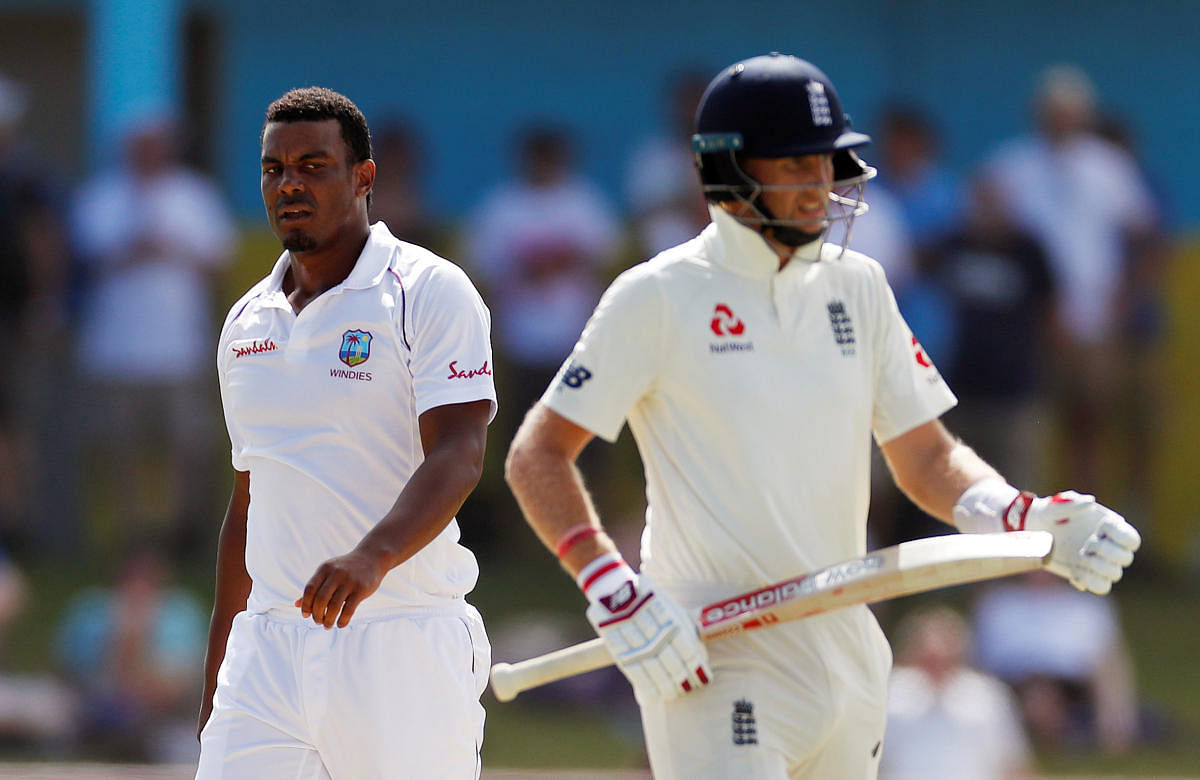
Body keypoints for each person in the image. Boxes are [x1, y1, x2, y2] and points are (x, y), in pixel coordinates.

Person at [503, 53, 1141, 779]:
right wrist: (612, 587)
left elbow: (927, 458)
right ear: (731, 171)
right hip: (715, 658)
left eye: (827, 163)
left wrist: (1021, 516)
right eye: (796, 165)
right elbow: (537, 454)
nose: (821, 186)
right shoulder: (656, 296)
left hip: (850, 654)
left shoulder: (860, 286)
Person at [196, 87, 495, 779]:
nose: (290, 183)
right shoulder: (246, 323)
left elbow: (460, 450)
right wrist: (217, 689)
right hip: (266, 656)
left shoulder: (428, 290)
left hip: (401, 644)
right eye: (274, 169)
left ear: (363, 177)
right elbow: (248, 505)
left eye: (313, 165)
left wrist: (372, 557)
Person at [983, 65, 1159, 498]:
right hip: (1029, 326)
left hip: (1094, 323)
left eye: (1069, 111)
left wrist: (1125, 300)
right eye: (1052, 110)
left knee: (1091, 424)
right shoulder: (1012, 164)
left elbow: (1143, 236)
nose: (1060, 119)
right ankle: (1036, 526)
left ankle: (1089, 516)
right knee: (1033, 424)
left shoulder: (1109, 166)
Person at [71, 110, 236, 557]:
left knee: (188, 446)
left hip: (179, 348)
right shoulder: (100, 197)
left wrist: (170, 248)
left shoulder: (195, 196)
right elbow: (85, 259)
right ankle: (127, 539)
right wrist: (134, 248)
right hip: (113, 351)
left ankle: (186, 536)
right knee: (117, 448)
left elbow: (218, 260)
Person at [55, 541, 205, 762]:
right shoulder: (90, 611)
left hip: (164, 717)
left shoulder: (180, 614)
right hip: (97, 706)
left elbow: (181, 683)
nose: (139, 585)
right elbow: (71, 673)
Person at [973, 568, 1140, 754]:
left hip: (1072, 690)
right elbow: (979, 661)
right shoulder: (998, 604)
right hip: (1012, 686)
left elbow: (1109, 663)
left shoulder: (1089, 607)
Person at [880, 606, 1033, 780]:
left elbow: (1012, 763)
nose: (936, 661)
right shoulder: (891, 692)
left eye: (943, 656)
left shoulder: (987, 695)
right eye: (929, 657)